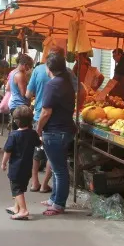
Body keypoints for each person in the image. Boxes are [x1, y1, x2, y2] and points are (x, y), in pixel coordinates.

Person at [37, 52, 76, 216]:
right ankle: (54, 199)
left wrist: (38, 128)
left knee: (59, 170)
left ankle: (58, 204)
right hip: (65, 129)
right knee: (57, 167)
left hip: (55, 131)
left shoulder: (52, 85)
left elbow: (46, 112)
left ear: (49, 68)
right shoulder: (66, 82)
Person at [26, 48, 62, 194]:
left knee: (37, 150)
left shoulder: (38, 70)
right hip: (56, 119)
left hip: (38, 116)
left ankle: (35, 182)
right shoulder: (66, 73)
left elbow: (28, 94)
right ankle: (44, 184)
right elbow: (81, 91)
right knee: (50, 154)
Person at [2, 105, 42, 221]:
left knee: (17, 189)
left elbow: (7, 152)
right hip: (27, 167)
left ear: (15, 121)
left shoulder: (13, 135)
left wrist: (3, 163)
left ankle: (23, 210)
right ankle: (16, 207)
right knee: (22, 186)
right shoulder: (32, 133)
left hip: (16, 167)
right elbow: (38, 144)